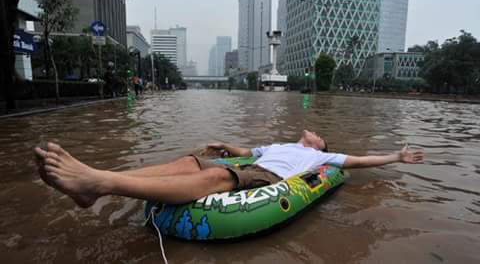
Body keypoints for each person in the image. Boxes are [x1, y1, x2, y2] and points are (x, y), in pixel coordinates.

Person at [33, 130, 424, 208]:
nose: (314, 132)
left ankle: (100, 185)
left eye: (320, 134)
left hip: (267, 179)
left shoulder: (321, 158)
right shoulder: (280, 143)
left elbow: (361, 160)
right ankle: (98, 179)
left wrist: (395, 156)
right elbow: (245, 151)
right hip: (254, 163)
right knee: (189, 162)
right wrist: (225, 146)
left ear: (321, 146)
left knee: (218, 177)